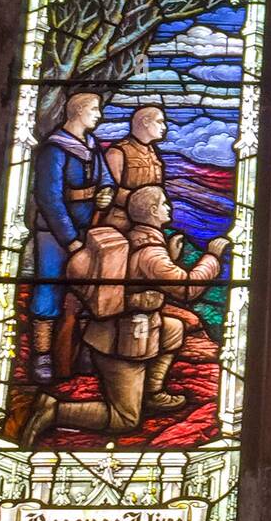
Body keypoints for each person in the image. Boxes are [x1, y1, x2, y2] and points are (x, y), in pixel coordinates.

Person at [19, 185, 228, 447]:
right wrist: (212, 257)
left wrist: (170, 258)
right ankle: (54, 409)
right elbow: (187, 290)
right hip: (121, 341)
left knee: (174, 327)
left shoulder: (137, 238)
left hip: (133, 328)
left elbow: (143, 277)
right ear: (152, 211)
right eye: (164, 204)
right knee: (125, 419)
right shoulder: (151, 252)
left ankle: (151, 393)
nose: (169, 208)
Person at [30, 92, 114, 384]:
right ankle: (42, 356)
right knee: (50, 288)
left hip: (87, 230)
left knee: (87, 290)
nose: (98, 116)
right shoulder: (55, 149)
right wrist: (70, 240)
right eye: (94, 110)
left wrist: (106, 192)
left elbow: (106, 179)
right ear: (78, 111)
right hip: (54, 233)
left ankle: (82, 351)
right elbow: (49, 198)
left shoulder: (91, 146)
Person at [105, 104, 167, 232]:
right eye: (160, 122)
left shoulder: (152, 152)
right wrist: (143, 203)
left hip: (150, 221)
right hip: (122, 223)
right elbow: (111, 190)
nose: (164, 127)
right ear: (145, 122)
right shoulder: (117, 152)